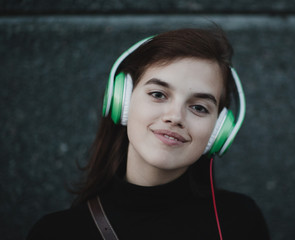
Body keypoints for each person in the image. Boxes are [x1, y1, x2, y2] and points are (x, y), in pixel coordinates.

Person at [27, 27, 270, 240]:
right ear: (122, 102)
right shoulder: (56, 232)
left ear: (219, 131)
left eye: (199, 107)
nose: (174, 117)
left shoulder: (240, 221)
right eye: (158, 94)